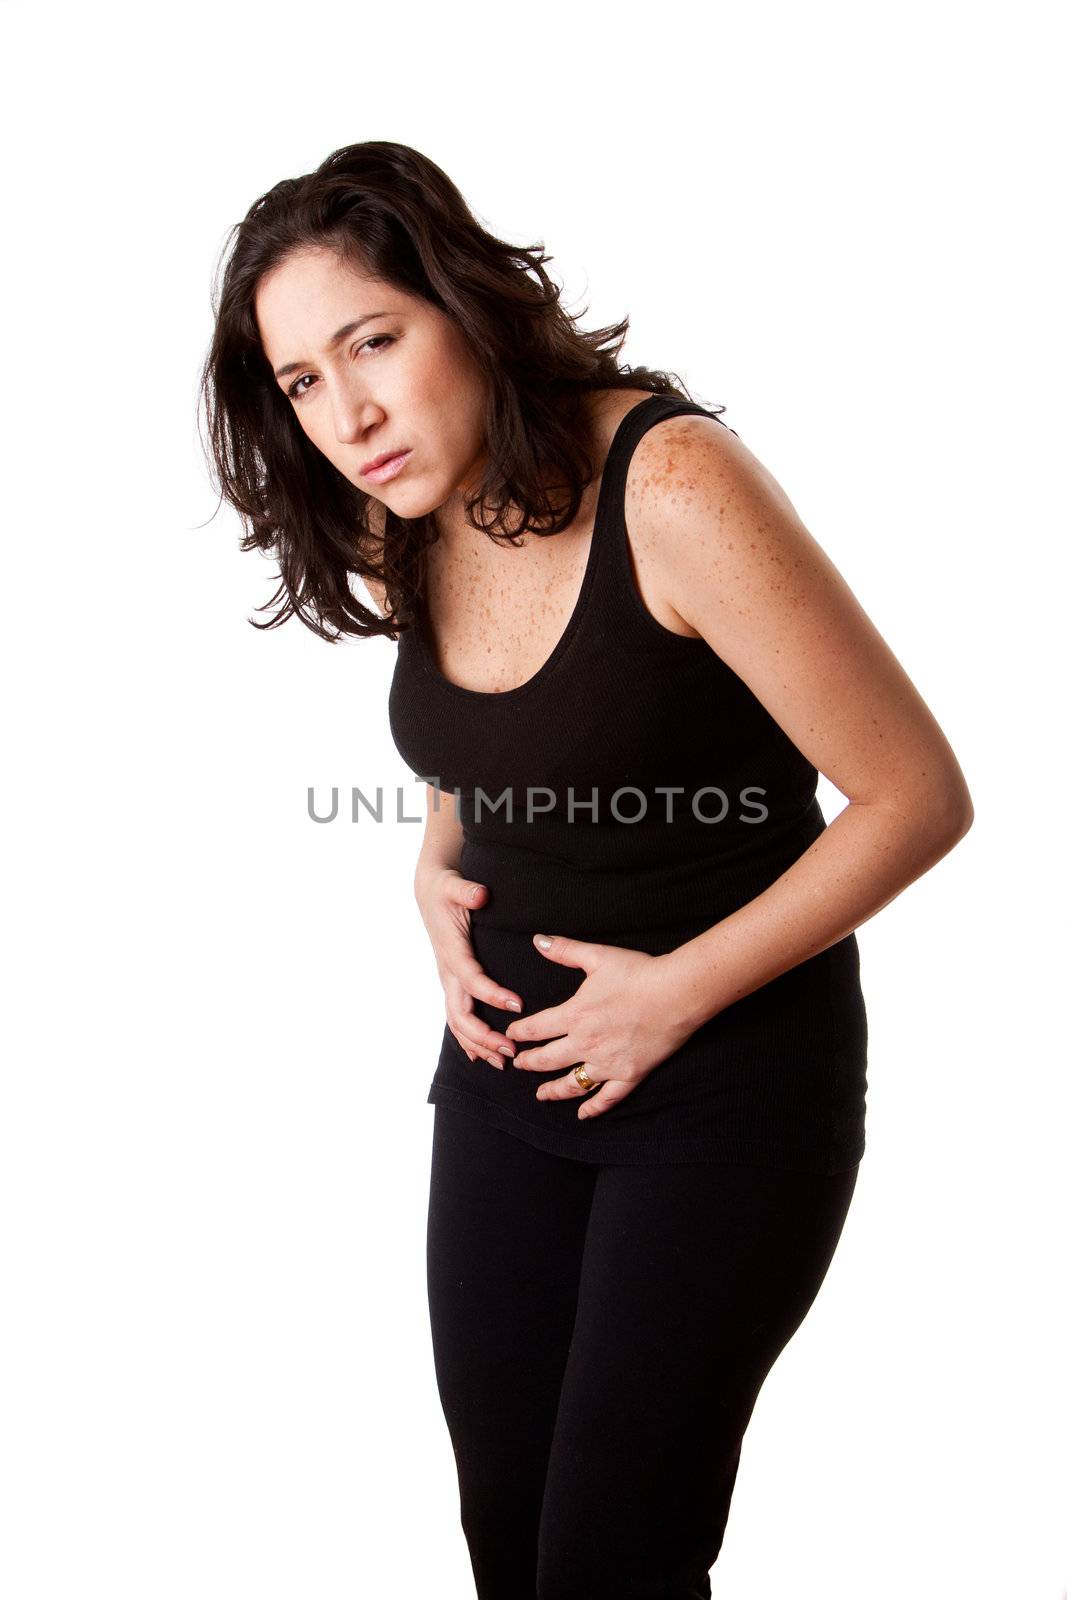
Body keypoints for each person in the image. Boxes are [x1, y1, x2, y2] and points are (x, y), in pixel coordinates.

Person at [201, 140, 974, 1598]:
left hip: (725, 1101)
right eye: (303, 380)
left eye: (375, 341)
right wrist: (438, 864)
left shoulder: (671, 484)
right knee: (512, 1548)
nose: (349, 411)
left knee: (611, 1563)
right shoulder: (407, 499)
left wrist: (672, 995)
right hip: (500, 1088)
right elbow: (491, 733)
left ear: (465, 309)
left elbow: (916, 796)